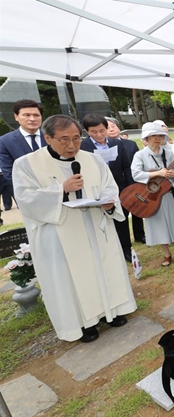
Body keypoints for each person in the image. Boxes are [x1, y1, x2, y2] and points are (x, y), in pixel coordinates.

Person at [12, 114, 136, 343]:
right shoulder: (26, 165)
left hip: (96, 230)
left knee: (104, 269)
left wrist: (110, 202)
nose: (72, 145)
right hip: (62, 236)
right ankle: (84, 324)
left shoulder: (93, 160)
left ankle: (112, 312)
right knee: (72, 278)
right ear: (47, 138)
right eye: (64, 139)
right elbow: (26, 200)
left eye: (77, 139)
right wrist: (61, 189)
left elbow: (110, 187)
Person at [131, 122, 174, 267]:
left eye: (159, 135)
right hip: (151, 196)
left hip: (169, 193)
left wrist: (173, 174)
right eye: (153, 136)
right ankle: (166, 254)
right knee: (159, 225)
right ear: (146, 138)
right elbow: (136, 174)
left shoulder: (168, 153)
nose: (157, 138)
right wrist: (158, 173)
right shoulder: (140, 155)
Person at [80, 114, 134, 262]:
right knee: (99, 222)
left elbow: (126, 166)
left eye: (102, 130)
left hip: (118, 187)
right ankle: (106, 253)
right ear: (86, 131)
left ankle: (126, 251)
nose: (99, 134)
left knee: (121, 220)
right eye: (94, 132)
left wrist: (130, 187)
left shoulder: (117, 143)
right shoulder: (82, 147)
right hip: (95, 190)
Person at [106, 117, 145, 244]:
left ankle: (140, 234)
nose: (111, 129)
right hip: (116, 183)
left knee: (137, 209)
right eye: (108, 127)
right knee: (121, 211)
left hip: (133, 181)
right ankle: (124, 240)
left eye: (113, 126)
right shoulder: (106, 147)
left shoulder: (131, 144)